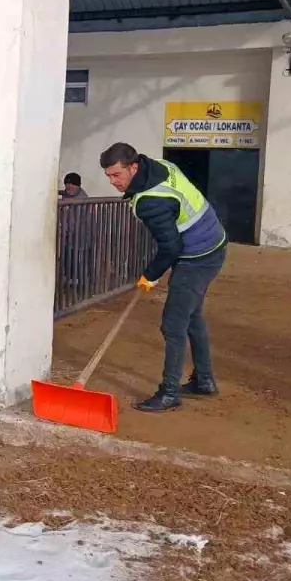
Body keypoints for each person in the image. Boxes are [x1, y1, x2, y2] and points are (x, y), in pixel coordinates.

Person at [100, 142, 228, 412]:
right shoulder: (159, 165)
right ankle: (204, 380)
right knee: (191, 316)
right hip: (212, 240)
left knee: (173, 325)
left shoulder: (151, 202)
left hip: (198, 256)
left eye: (116, 175)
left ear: (134, 167)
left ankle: (170, 392)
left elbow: (171, 248)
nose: (113, 182)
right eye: (109, 176)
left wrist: (150, 275)